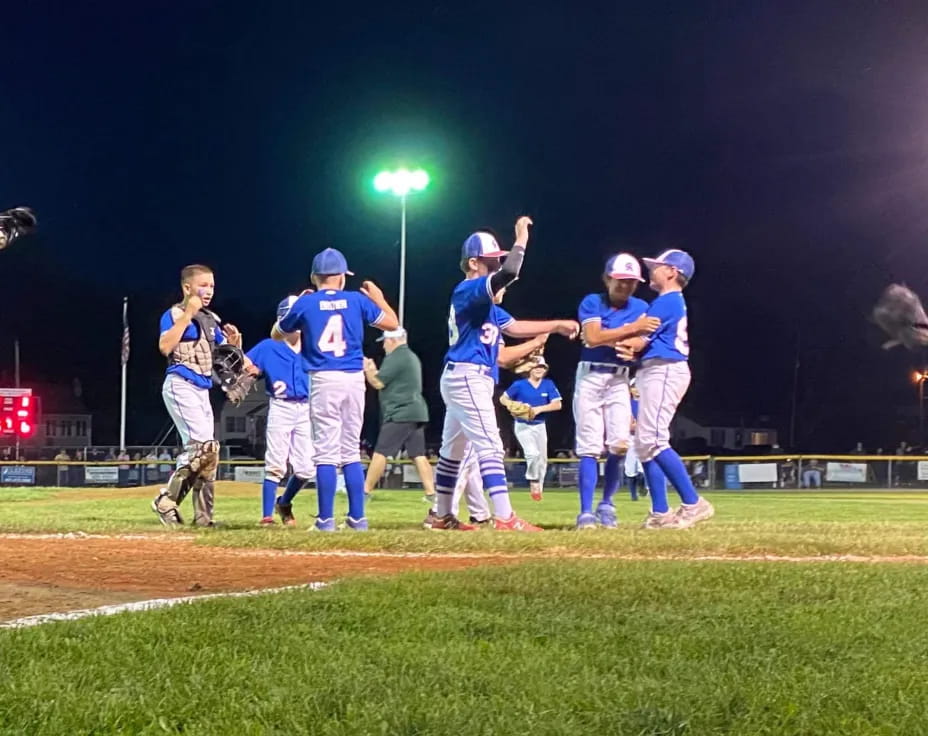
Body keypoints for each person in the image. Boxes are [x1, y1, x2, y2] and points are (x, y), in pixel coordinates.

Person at [433, 217, 579, 531]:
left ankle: (441, 515)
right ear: (473, 263)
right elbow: (510, 273)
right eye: (490, 263)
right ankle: (504, 516)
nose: (497, 269)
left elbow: (514, 328)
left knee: (453, 451)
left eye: (496, 262)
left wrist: (553, 326)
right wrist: (522, 237)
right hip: (468, 375)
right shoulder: (469, 289)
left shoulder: (487, 306)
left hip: (466, 376)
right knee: (491, 446)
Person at [273, 247, 398, 532]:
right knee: (350, 451)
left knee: (326, 453)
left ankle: (326, 520)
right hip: (354, 378)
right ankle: (357, 518)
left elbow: (277, 334)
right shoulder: (355, 300)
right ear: (341, 277)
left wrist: (297, 308)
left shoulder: (307, 303)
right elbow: (393, 324)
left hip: (324, 379)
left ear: (314, 277)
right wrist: (379, 299)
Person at [617, 249, 714, 529]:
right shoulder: (667, 301)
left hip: (665, 369)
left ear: (672, 272)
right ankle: (660, 512)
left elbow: (637, 342)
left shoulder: (667, 301)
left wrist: (606, 339)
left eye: (657, 267)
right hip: (656, 369)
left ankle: (694, 503)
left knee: (654, 440)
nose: (652, 270)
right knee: (645, 443)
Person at [152, 264, 244, 527]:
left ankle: (204, 519)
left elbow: (222, 360)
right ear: (187, 287)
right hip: (180, 383)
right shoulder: (175, 313)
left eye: (212, 285)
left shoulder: (210, 319)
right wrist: (188, 314)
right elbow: (165, 346)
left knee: (210, 452)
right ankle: (165, 501)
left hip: (202, 389)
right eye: (203, 285)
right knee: (202, 447)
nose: (209, 290)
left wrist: (234, 344)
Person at [573, 253, 661, 529]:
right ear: (607, 278)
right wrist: (630, 331)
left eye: (631, 282)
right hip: (590, 375)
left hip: (620, 379)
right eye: (620, 280)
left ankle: (607, 504)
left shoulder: (641, 305)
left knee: (620, 444)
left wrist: (631, 342)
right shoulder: (592, 301)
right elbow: (593, 337)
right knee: (589, 446)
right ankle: (585, 512)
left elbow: (640, 342)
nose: (625, 286)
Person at [247, 296, 316, 526]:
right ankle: (267, 516)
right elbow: (245, 365)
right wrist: (245, 365)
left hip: (306, 408)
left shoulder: (311, 344)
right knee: (275, 462)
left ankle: (284, 503)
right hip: (281, 406)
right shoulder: (269, 346)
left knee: (306, 468)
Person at [362, 327, 436, 501]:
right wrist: (373, 370)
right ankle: (431, 494)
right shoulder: (410, 356)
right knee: (418, 454)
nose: (384, 346)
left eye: (385, 342)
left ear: (392, 340)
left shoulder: (397, 356)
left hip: (401, 413)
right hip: (416, 412)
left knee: (381, 452)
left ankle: (364, 492)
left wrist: (367, 369)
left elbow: (378, 382)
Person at [500, 358, 562, 501]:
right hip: (523, 425)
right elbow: (503, 398)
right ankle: (533, 480)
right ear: (529, 369)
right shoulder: (519, 385)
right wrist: (511, 404)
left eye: (542, 367)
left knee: (542, 459)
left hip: (540, 425)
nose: (539, 369)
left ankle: (538, 488)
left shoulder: (548, 384)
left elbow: (557, 404)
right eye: (536, 367)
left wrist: (539, 409)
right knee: (532, 454)